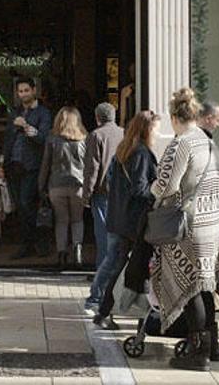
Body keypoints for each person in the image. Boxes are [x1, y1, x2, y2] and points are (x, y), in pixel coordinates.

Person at [149, 88, 219, 372]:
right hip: (214, 222)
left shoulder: (181, 143)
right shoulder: (208, 142)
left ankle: (197, 354)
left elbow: (166, 185)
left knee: (190, 289)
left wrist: (153, 189)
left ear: (175, 117)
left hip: (190, 226)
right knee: (205, 286)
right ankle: (213, 346)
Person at [89, 111, 160, 327]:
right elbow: (140, 188)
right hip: (132, 222)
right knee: (121, 266)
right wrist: (158, 190)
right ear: (147, 129)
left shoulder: (124, 149)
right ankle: (104, 310)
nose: (158, 133)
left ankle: (104, 310)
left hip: (119, 217)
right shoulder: (141, 153)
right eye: (156, 128)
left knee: (117, 264)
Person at [1, 77, 52, 258]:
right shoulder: (14, 112)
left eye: (26, 90)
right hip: (13, 164)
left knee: (27, 202)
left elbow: (44, 139)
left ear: (34, 90)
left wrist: (27, 127)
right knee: (20, 207)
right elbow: (7, 140)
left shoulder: (43, 113)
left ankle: (33, 243)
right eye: (20, 91)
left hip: (32, 166)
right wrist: (2, 164)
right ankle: (27, 243)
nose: (23, 94)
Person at [39, 106, 87, 268]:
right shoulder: (84, 139)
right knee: (77, 219)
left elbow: (45, 165)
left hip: (56, 186)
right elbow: (88, 165)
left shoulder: (52, 139)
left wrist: (41, 186)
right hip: (78, 186)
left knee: (61, 221)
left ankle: (61, 255)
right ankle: (78, 251)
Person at [82, 103, 124, 274]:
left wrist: (86, 193)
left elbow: (92, 167)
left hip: (103, 191)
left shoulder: (96, 135)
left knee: (103, 233)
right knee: (118, 233)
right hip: (121, 192)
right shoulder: (124, 133)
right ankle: (117, 271)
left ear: (97, 117)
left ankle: (102, 273)